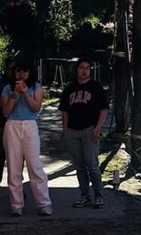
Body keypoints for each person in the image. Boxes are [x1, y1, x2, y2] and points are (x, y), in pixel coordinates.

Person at [1, 55, 52, 216]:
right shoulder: (7, 89)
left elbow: (36, 108)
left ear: (30, 73)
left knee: (34, 165)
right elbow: (6, 112)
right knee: (14, 167)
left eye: (25, 72)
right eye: (18, 72)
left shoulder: (36, 87)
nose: (21, 75)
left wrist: (26, 94)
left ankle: (44, 203)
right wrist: (15, 95)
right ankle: (16, 205)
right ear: (14, 73)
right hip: (12, 126)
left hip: (30, 125)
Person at [59, 57, 109, 209]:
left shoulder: (95, 87)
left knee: (92, 165)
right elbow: (65, 111)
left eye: (87, 67)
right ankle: (84, 195)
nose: (84, 70)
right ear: (77, 69)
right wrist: (65, 130)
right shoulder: (70, 88)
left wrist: (98, 127)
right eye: (82, 67)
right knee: (79, 166)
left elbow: (104, 109)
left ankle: (99, 195)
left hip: (89, 130)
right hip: (73, 131)